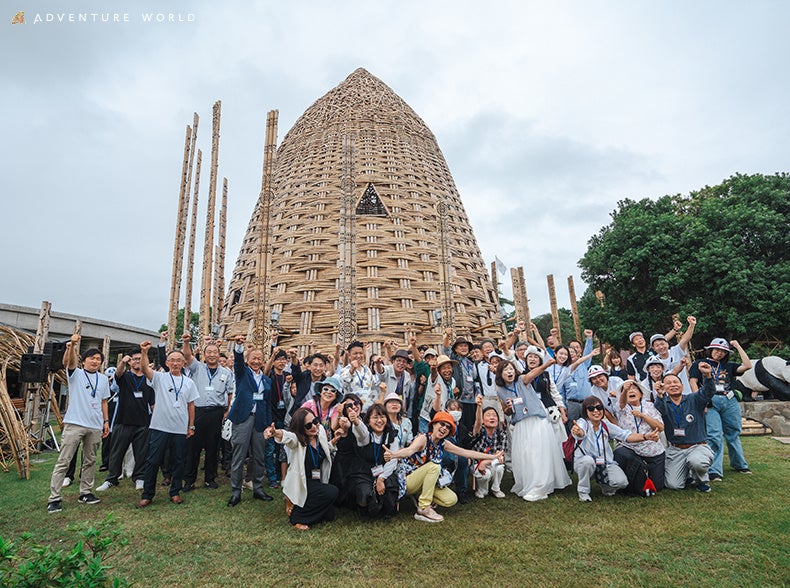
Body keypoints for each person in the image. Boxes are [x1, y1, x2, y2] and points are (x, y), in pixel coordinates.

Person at [384, 411, 504, 523]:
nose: (444, 428)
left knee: (451, 499)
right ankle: (423, 508)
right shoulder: (423, 438)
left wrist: (492, 457)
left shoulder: (443, 443)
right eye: (442, 424)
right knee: (434, 466)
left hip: (425, 481)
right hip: (408, 479)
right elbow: (409, 451)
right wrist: (394, 455)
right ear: (434, 424)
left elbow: (467, 453)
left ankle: (421, 496)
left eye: (448, 427)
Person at [47, 335, 110, 514]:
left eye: (99, 359)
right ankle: (54, 498)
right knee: (64, 461)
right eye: (92, 358)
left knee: (90, 460)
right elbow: (68, 361)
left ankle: (85, 492)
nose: (96, 361)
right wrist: (72, 345)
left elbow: (104, 402)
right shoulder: (76, 373)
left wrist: (106, 421)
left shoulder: (103, 379)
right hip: (75, 423)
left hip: (95, 424)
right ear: (84, 361)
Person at [496, 358, 571, 501]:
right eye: (505, 370)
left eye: (511, 369)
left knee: (538, 453)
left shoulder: (522, 380)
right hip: (520, 425)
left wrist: (547, 364)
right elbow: (507, 412)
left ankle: (540, 485)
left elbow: (535, 373)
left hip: (536, 421)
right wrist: (507, 407)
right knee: (525, 455)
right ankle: (528, 482)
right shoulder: (500, 391)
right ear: (501, 374)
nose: (509, 372)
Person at [137, 340, 199, 508]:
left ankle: (175, 491)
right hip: (160, 427)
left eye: (179, 360)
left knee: (179, 461)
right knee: (153, 460)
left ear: (184, 363)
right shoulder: (160, 378)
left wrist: (191, 426)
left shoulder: (189, 383)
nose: (175, 363)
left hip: (179, 429)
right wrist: (144, 353)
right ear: (166, 363)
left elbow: (191, 405)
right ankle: (147, 494)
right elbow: (144, 369)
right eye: (172, 360)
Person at [570, 396, 659, 502]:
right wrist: (578, 432)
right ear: (585, 411)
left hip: (605, 463)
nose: (596, 411)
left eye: (599, 408)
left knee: (621, 482)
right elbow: (580, 433)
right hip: (584, 463)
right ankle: (583, 492)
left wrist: (645, 436)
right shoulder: (582, 423)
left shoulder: (606, 425)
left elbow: (626, 436)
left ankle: (606, 487)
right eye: (591, 409)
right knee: (587, 461)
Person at [264, 408, 340, 530]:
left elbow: (323, 449)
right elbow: (287, 437)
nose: (314, 426)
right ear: (301, 428)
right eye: (308, 425)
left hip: (317, 480)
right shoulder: (297, 440)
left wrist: (334, 441)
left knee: (330, 515)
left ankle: (301, 507)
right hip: (302, 482)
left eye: (315, 421)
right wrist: (275, 433)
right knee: (332, 491)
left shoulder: (319, 431)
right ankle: (297, 517)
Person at [689, 338, 753, 480]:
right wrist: (700, 400)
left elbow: (748, 365)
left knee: (734, 432)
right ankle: (714, 470)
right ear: (710, 349)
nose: (719, 353)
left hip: (729, 400)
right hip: (710, 400)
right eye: (717, 350)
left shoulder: (728, 366)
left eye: (723, 351)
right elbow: (693, 381)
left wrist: (737, 346)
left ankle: (740, 464)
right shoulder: (699, 363)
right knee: (714, 434)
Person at [180, 333, 235, 491]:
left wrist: (227, 411)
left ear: (219, 354)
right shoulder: (197, 368)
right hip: (198, 412)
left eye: (215, 352)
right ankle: (189, 480)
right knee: (193, 447)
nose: (212, 355)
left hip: (216, 413)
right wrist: (186, 341)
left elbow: (231, 393)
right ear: (204, 355)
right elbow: (187, 355)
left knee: (213, 447)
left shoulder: (226, 373)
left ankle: (210, 479)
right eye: (209, 352)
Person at [96, 347, 155, 493]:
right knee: (116, 452)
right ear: (129, 362)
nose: (137, 361)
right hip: (123, 421)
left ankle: (139, 477)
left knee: (141, 453)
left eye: (140, 359)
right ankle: (111, 479)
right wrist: (122, 362)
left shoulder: (149, 379)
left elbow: (153, 403)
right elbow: (118, 373)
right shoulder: (125, 377)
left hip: (143, 422)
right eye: (134, 359)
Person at [226, 335, 273, 506]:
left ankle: (258, 488)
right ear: (248, 360)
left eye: (259, 359)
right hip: (243, 419)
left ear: (263, 361)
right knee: (239, 456)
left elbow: (268, 404)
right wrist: (239, 347)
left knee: (259, 456)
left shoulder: (267, 380)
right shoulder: (242, 374)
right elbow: (238, 362)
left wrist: (268, 424)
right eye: (253, 358)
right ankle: (236, 491)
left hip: (260, 421)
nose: (256, 361)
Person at [654, 363, 716, 492]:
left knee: (697, 462)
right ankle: (687, 474)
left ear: (682, 386)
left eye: (676, 382)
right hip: (676, 449)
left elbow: (708, 391)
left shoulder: (694, 399)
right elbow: (660, 410)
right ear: (664, 387)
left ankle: (702, 481)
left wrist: (707, 376)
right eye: (668, 383)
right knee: (673, 485)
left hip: (697, 446)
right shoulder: (664, 403)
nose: (673, 385)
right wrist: (659, 395)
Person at [345, 403, 401, 518]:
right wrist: (356, 421)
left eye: (382, 417)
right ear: (368, 420)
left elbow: (392, 460)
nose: (379, 421)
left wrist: (381, 479)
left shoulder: (391, 435)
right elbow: (361, 432)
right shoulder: (366, 435)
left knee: (389, 489)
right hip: (363, 472)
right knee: (364, 493)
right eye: (375, 417)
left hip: (383, 471)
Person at [611, 380, 666, 495]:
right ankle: (632, 484)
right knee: (622, 453)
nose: (631, 390)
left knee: (657, 486)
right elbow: (621, 403)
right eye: (627, 390)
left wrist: (643, 415)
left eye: (634, 388)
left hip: (652, 449)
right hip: (631, 448)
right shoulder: (622, 407)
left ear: (641, 394)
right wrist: (624, 390)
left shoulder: (650, 406)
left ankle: (645, 477)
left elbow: (660, 427)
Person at [470, 395, 508, 499]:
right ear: (483, 420)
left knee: (500, 466)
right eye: (488, 415)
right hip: (477, 463)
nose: (492, 417)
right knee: (485, 474)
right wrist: (479, 406)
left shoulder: (501, 434)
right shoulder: (479, 432)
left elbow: (500, 454)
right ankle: (482, 489)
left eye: (494, 415)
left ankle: (496, 488)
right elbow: (477, 423)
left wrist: (485, 462)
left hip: (491, 462)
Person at [648, 315, 697, 394]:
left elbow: (685, 339)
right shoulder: (654, 361)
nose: (661, 347)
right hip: (669, 396)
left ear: (667, 344)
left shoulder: (676, 351)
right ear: (653, 348)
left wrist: (691, 325)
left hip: (685, 392)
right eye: (657, 345)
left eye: (662, 344)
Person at [340, 341, 377, 410]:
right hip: (353, 409)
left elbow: (373, 389)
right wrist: (352, 369)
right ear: (349, 355)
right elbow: (344, 383)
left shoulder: (367, 370)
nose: (358, 356)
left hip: (368, 409)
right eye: (355, 353)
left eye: (360, 353)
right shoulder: (345, 370)